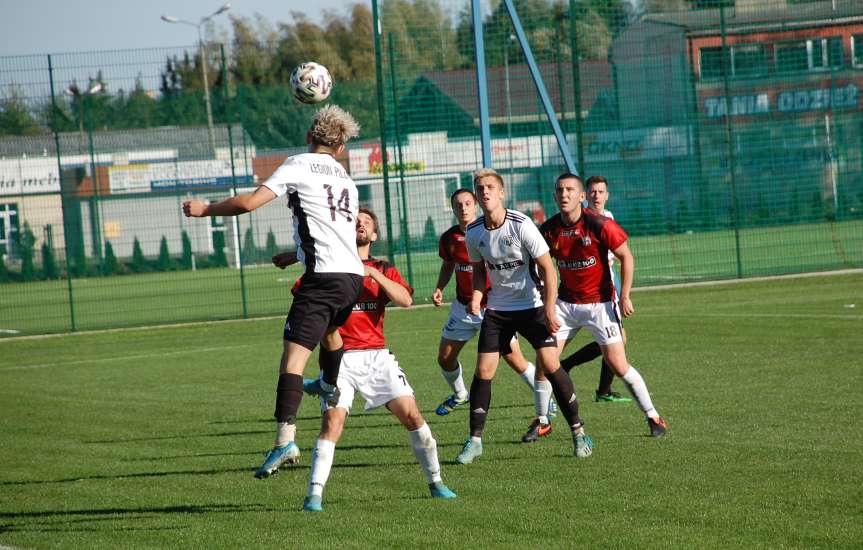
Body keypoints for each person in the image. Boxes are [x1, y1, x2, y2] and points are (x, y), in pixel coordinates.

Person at [182, 105, 366, 478]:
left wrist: (205, 210)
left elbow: (249, 203)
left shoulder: (299, 163)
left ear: (308, 137)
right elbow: (331, 234)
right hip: (352, 278)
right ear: (341, 147)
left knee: (293, 360)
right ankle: (330, 385)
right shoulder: (347, 180)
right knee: (330, 332)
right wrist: (295, 254)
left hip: (323, 279)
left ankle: (284, 440)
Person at [275, 208, 457, 512]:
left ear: (373, 235)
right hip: (339, 360)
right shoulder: (326, 270)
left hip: (377, 358)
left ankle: (436, 483)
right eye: (354, 221)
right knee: (333, 423)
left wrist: (371, 272)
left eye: (366, 222)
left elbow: (406, 300)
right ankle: (313, 497)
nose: (359, 223)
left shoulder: (384, 268)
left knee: (412, 416)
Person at [455, 168, 593, 465]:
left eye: (490, 187)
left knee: (551, 365)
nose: (485, 192)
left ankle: (579, 433)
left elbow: (547, 268)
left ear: (502, 192)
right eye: (480, 188)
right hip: (498, 312)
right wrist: (478, 297)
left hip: (531, 308)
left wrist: (549, 307)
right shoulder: (475, 231)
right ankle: (475, 441)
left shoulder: (521, 224)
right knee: (483, 372)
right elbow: (479, 271)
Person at [540, 173, 668, 438]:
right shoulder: (549, 229)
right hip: (565, 304)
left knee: (618, 365)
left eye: (570, 190)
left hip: (600, 304)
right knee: (545, 361)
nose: (564, 194)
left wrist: (625, 295)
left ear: (581, 196)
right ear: (555, 195)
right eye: (560, 190)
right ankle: (542, 420)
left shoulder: (599, 224)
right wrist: (547, 303)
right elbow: (543, 267)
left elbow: (626, 257)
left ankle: (653, 417)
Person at [431, 188, 556, 443]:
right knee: (444, 358)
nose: (464, 208)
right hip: (465, 307)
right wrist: (439, 287)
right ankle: (459, 394)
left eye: (468, 203)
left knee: (515, 361)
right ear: (453, 209)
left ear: (476, 205)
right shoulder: (450, 238)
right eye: (458, 205)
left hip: (497, 308)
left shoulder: (492, 230)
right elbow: (448, 265)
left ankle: (546, 402)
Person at [559, 175, 632, 403]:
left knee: (619, 339)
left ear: (607, 195)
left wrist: (624, 294)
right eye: (592, 192)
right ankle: (574, 373)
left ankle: (603, 389)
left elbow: (621, 253)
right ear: (584, 195)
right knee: (617, 339)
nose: (596, 196)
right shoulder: (581, 220)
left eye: (601, 192)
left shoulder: (607, 217)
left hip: (607, 284)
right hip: (584, 293)